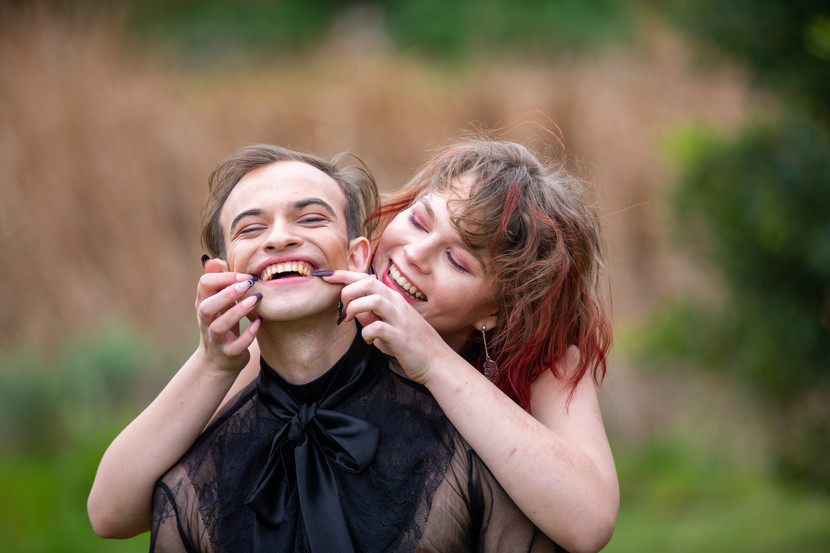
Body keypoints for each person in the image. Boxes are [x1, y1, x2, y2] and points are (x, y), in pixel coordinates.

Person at [89, 136, 618, 553]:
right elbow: (111, 512)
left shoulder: (545, 361)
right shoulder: (313, 324)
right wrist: (212, 361)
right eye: (419, 221)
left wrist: (431, 359)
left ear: (498, 310)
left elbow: (587, 521)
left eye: (458, 261)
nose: (414, 254)